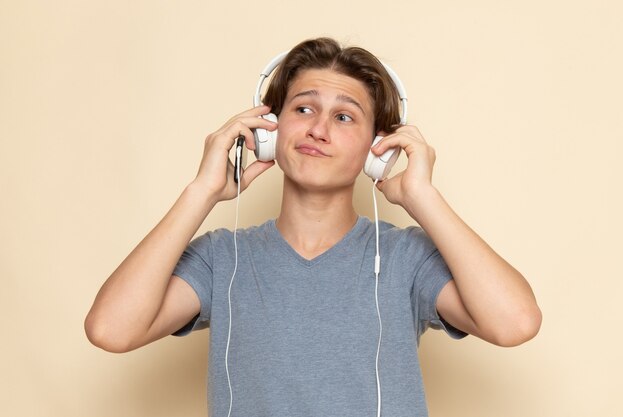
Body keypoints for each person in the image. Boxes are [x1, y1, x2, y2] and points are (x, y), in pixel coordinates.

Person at [85, 38, 542, 416]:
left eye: (344, 117)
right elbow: (110, 330)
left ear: (375, 149)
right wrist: (202, 191)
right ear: (270, 130)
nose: (319, 129)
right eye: (303, 109)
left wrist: (423, 197)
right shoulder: (221, 258)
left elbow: (516, 323)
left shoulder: (405, 258)